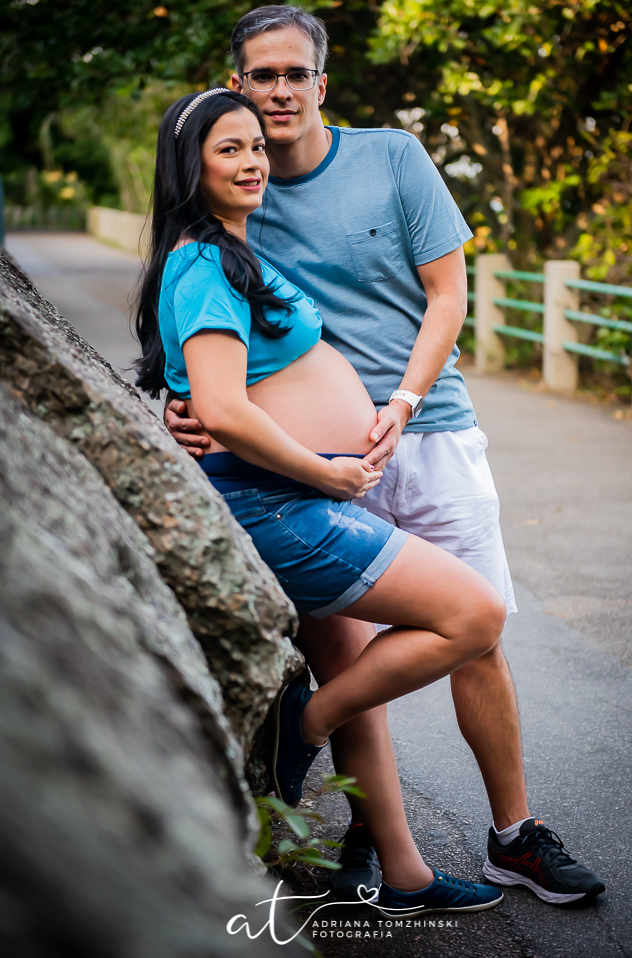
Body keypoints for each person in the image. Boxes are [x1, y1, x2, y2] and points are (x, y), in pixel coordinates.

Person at [164, 5, 605, 906]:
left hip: (428, 429)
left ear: (321, 84)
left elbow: (449, 296)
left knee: (475, 633)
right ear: (235, 84)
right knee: (346, 654)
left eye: (295, 74)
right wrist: (181, 404)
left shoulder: (393, 158)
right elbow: (194, 316)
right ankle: (378, 838)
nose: (278, 92)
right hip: (301, 467)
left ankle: (513, 834)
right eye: (261, 75)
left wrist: (401, 403)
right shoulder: (230, 174)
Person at [135, 86, 508, 916]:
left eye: (254, 147)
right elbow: (224, 407)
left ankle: (404, 877)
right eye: (227, 149)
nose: (251, 161)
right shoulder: (200, 261)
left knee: (357, 679)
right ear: (187, 166)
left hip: (291, 492)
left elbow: (210, 387)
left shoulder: (230, 254)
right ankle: (298, 729)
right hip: (280, 504)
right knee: (474, 615)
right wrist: (326, 470)